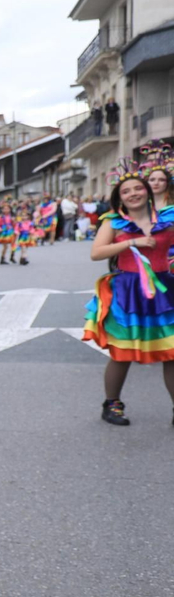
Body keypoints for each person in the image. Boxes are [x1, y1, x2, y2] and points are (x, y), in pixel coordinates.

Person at [84, 169, 174, 426]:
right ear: (119, 198)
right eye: (126, 191)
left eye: (137, 188)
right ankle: (112, 404)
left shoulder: (169, 218)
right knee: (122, 352)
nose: (133, 194)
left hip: (165, 291)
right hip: (127, 292)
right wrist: (131, 243)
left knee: (171, 352)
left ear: (147, 191)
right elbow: (96, 253)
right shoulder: (113, 222)